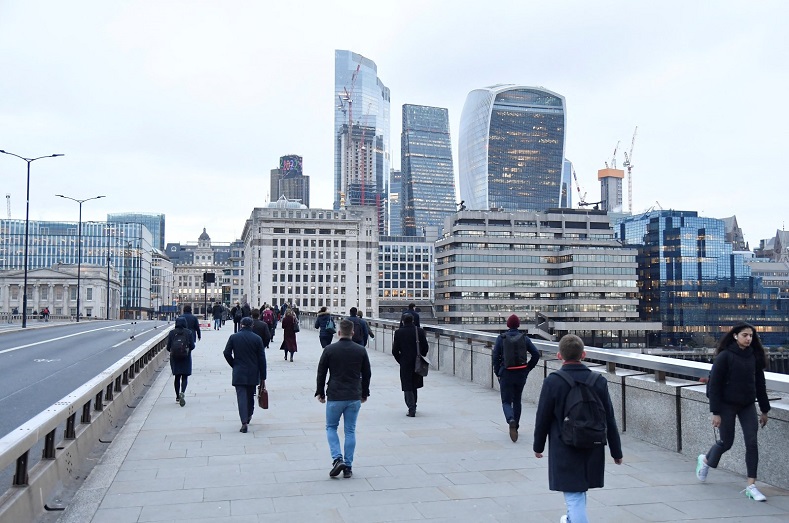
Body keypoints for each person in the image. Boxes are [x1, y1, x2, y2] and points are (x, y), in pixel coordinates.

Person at [533, 334, 623, 523]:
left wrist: (538, 446)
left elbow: (543, 417)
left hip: (564, 445)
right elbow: (609, 418)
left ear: (559, 356)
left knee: (574, 495)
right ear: (584, 354)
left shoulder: (553, 381)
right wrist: (616, 451)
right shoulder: (598, 380)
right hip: (593, 444)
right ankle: (570, 519)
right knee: (578, 492)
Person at [695, 321, 770, 501]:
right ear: (735, 336)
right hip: (726, 405)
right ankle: (705, 460)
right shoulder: (725, 357)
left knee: (752, 443)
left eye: (751, 336)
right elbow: (714, 386)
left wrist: (765, 410)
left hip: (747, 405)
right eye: (745, 335)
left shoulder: (754, 357)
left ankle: (751, 485)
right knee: (726, 443)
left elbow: (760, 384)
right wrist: (715, 412)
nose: (748, 339)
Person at [315, 319, 371, 479]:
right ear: (352, 333)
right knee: (350, 431)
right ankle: (348, 466)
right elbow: (367, 374)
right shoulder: (360, 350)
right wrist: (364, 393)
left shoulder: (329, 350)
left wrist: (320, 391)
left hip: (335, 394)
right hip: (353, 395)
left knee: (331, 427)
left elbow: (321, 372)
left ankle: (337, 458)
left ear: (338, 333)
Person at [492, 314, 540, 442]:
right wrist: (528, 368)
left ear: (508, 325)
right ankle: (516, 426)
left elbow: (495, 357)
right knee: (517, 400)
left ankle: (510, 419)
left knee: (506, 401)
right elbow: (536, 354)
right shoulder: (525, 338)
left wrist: (498, 372)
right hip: (521, 373)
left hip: (506, 373)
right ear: (518, 325)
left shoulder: (501, 338)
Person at [223, 317, 267, 433]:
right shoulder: (257, 339)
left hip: (239, 371)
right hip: (253, 371)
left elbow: (226, 352)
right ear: (252, 325)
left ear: (241, 325)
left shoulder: (234, 337)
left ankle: (243, 421)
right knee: (250, 395)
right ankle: (249, 415)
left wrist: (234, 364)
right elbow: (262, 359)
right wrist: (263, 376)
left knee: (241, 397)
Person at [392, 312, 429, 417]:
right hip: (417, 362)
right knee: (414, 384)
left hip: (405, 362)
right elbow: (425, 347)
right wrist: (420, 356)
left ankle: (411, 407)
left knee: (407, 385)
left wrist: (401, 360)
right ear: (413, 320)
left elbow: (395, 350)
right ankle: (414, 405)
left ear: (403, 321)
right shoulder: (419, 331)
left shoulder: (399, 332)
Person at [166, 317, 195, 406]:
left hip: (175, 358)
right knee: (185, 377)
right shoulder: (188, 332)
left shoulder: (172, 333)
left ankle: (177, 396)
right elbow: (192, 346)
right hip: (185, 357)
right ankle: (183, 392)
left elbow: (168, 347)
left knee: (177, 377)